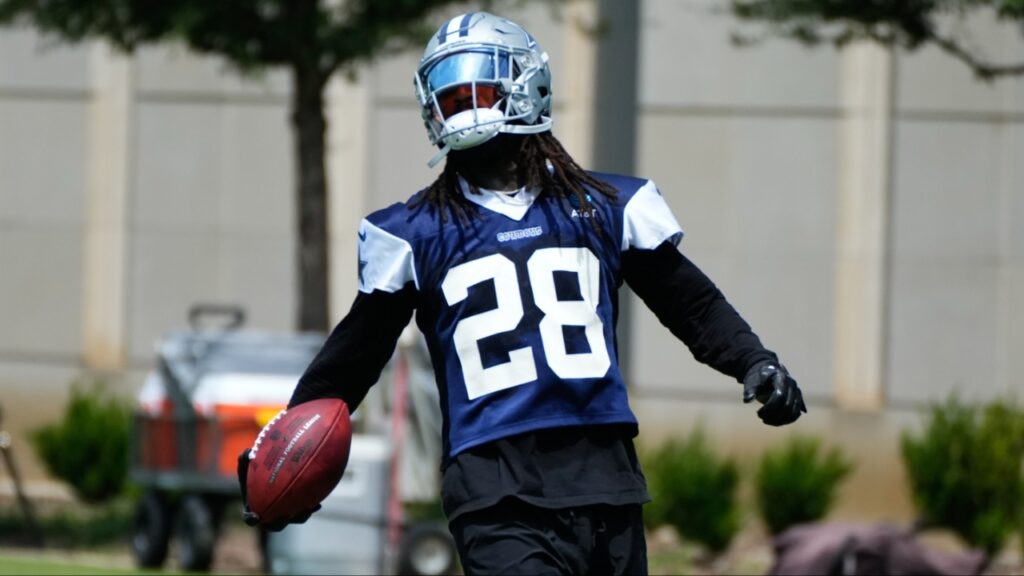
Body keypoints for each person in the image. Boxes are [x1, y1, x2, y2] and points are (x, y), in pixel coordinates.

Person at [238, 11, 807, 575]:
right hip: (494, 486)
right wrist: (279, 451)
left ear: (526, 87)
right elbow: (353, 357)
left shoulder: (603, 207)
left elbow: (691, 303)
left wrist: (753, 361)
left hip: (605, 475)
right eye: (450, 100)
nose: (462, 109)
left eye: (477, 93)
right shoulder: (416, 231)